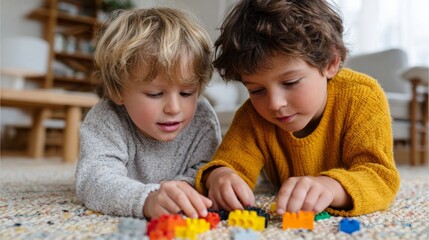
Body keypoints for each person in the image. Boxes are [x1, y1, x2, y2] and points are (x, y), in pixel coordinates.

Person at [195, 0, 400, 216]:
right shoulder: (253, 115)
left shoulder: (362, 96)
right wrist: (220, 175)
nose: (274, 104)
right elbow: (230, 163)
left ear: (330, 63)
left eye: (290, 82)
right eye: (256, 90)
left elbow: (380, 177)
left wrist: (331, 187)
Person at [76, 8, 222, 219]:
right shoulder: (106, 119)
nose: (174, 108)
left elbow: (205, 170)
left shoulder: (202, 117)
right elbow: (94, 180)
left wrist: (181, 188)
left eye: (186, 92)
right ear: (118, 91)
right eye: (155, 94)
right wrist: (147, 199)